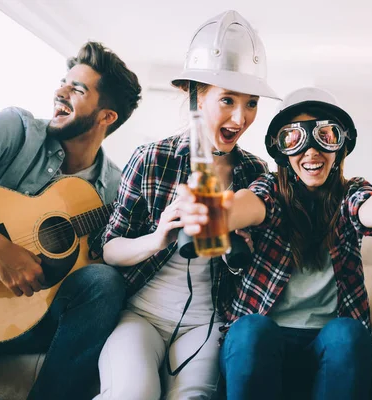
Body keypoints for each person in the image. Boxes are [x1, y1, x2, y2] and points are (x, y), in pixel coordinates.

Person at [178, 87, 372, 400]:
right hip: (263, 345)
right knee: (251, 329)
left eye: (325, 135)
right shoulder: (269, 190)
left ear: (341, 145)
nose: (311, 151)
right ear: (281, 150)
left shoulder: (351, 193)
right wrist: (217, 213)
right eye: (294, 139)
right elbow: (246, 204)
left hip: (331, 349)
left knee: (347, 333)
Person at [94, 10, 279, 400]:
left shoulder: (254, 171)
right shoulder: (151, 158)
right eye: (227, 100)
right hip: (141, 314)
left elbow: (250, 267)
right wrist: (157, 237)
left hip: (207, 322)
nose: (240, 117)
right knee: (131, 393)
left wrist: (233, 243)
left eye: (251, 104)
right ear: (194, 96)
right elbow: (110, 248)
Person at [0, 41, 142, 399]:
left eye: (76, 89)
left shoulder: (115, 193)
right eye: (64, 81)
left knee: (105, 282)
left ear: (107, 117)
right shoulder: (17, 129)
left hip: (24, 318)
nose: (59, 91)